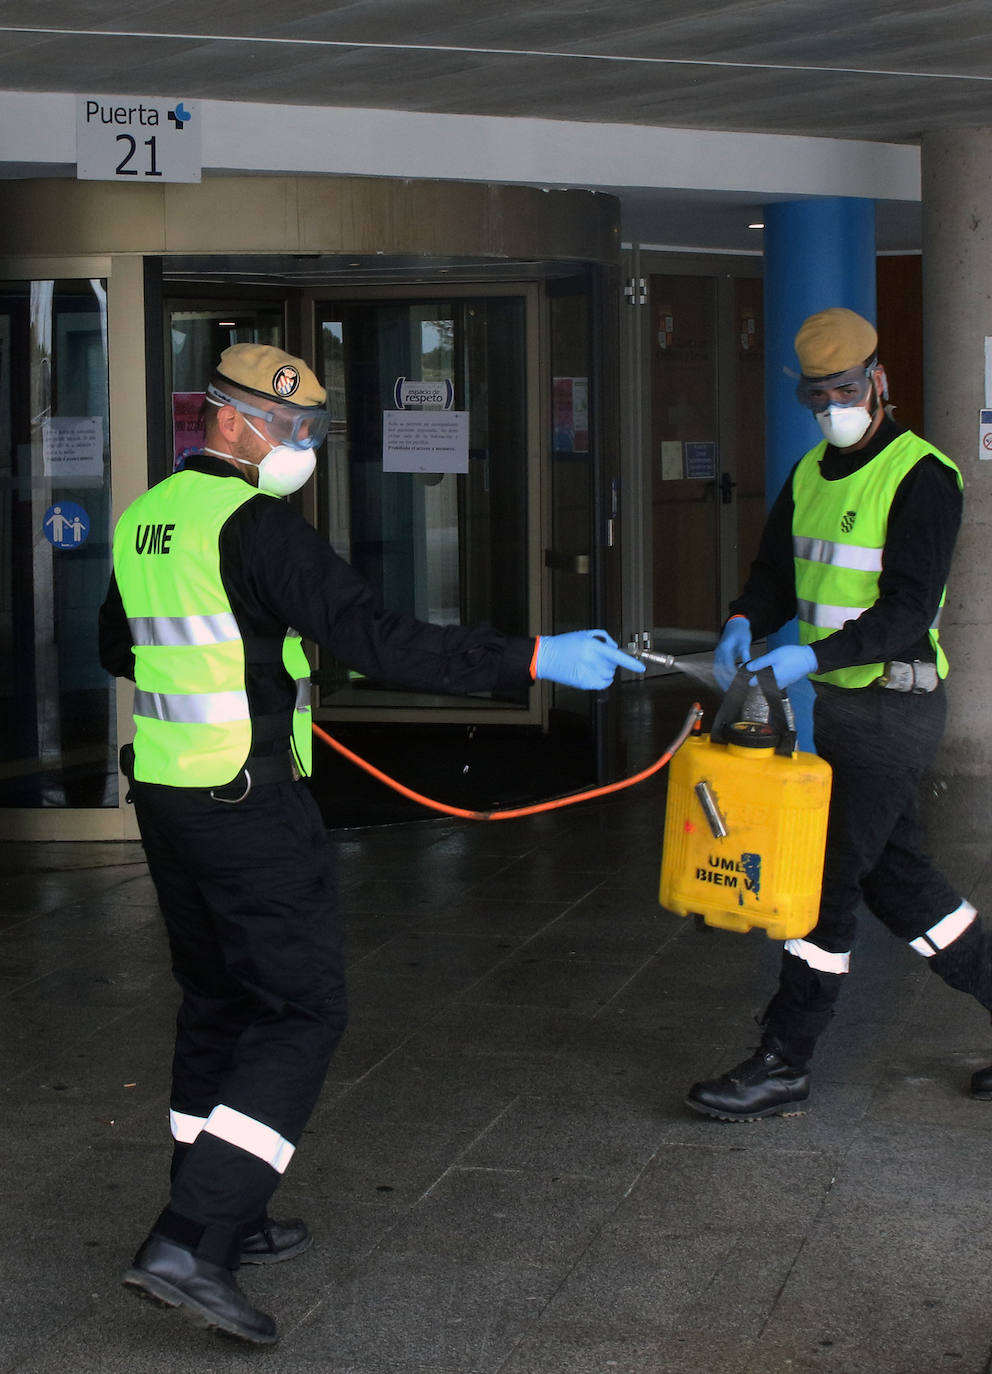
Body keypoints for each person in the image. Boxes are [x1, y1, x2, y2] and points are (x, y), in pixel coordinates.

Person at [99, 343, 643, 1344]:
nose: (300, 445)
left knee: (219, 1002)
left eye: (310, 428)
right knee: (302, 1010)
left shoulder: (146, 516)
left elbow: (115, 647)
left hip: (172, 794)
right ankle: (190, 1240)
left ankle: (227, 1206)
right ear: (227, 421)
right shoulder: (259, 529)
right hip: (249, 805)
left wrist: (257, 653)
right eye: (288, 426)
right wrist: (531, 655)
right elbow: (383, 641)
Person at [685, 306, 991, 1123]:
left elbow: (903, 611)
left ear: (879, 380)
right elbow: (774, 575)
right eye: (815, 396)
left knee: (824, 888)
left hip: (897, 706)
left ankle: (785, 1061)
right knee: (904, 887)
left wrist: (808, 657)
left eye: (845, 390)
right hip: (846, 709)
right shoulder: (812, 473)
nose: (831, 409)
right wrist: (746, 619)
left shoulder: (923, 477)